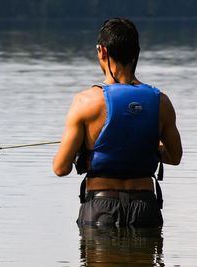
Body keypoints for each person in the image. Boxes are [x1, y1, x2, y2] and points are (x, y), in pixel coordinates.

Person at [53, 17, 182, 227]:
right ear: (136, 53)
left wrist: (81, 147)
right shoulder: (161, 102)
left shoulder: (85, 102)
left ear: (102, 52)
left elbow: (61, 168)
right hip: (145, 209)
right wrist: (156, 147)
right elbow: (175, 157)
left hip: (101, 208)